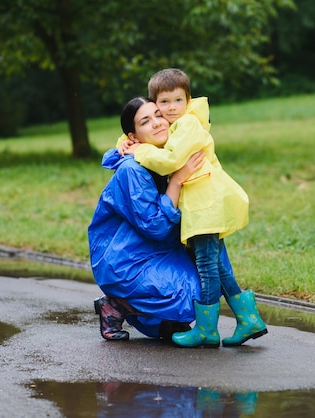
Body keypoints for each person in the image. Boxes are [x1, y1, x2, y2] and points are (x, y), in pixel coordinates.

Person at [117, 69, 267, 348]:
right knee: (219, 266)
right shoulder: (174, 125)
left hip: (205, 206)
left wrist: (139, 151)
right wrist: (126, 143)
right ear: (154, 104)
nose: (171, 108)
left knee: (207, 266)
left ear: (188, 100)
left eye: (177, 100)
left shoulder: (188, 125)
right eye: (164, 103)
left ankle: (207, 329)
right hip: (199, 208)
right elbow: (153, 139)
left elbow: (170, 160)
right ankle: (248, 319)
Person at [89, 96, 215, 342]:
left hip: (155, 252)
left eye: (159, 115)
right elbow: (156, 226)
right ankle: (117, 305)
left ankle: (168, 321)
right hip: (125, 261)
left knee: (211, 268)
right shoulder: (132, 170)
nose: (158, 123)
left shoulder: (164, 157)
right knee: (194, 293)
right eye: (146, 121)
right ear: (133, 137)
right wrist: (177, 180)